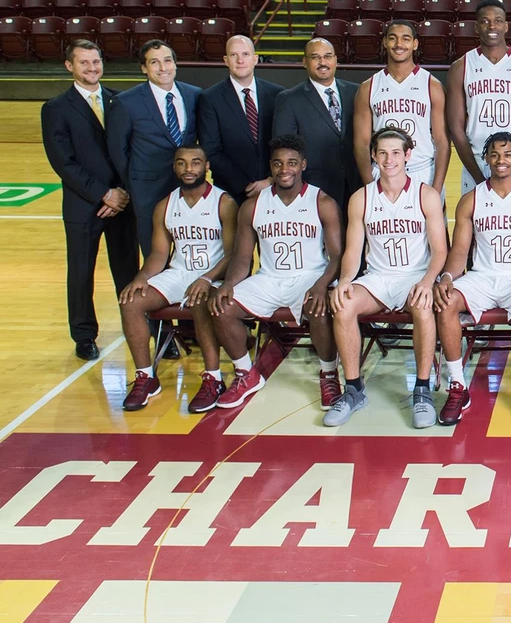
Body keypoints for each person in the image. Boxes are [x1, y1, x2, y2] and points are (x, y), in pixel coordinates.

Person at [208, 135, 345, 411]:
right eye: (278, 163)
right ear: (270, 167)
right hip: (268, 279)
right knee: (221, 307)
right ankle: (246, 373)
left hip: (309, 276)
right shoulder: (252, 206)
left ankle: (329, 374)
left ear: (303, 165)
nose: (285, 169)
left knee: (318, 306)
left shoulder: (322, 202)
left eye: (292, 162)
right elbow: (242, 257)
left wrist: (321, 285)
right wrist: (228, 284)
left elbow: (337, 256)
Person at [323, 127, 448, 429]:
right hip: (378, 278)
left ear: (407, 155)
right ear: (373, 156)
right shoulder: (360, 199)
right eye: (382, 153)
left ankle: (422, 389)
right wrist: (344, 281)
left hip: (414, 277)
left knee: (422, 306)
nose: (388, 159)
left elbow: (440, 251)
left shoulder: (426, 196)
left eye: (395, 153)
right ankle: (353, 390)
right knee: (343, 305)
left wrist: (428, 281)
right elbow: (353, 251)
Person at [434, 132, 511, 426]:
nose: (501, 160)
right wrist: (448, 276)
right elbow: (461, 249)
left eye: (508, 154)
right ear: (486, 159)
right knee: (445, 301)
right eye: (495, 155)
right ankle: (458, 386)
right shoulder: (471, 200)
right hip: (483, 277)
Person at [117, 146, 238, 413]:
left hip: (213, 275)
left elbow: (233, 255)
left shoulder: (224, 202)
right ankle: (146, 377)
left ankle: (213, 379)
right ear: (174, 167)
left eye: (195, 163)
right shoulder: (165, 205)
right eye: (181, 164)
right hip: (179, 273)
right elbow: (160, 254)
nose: (188, 169)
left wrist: (207, 278)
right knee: (130, 301)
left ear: (206, 166)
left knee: (199, 300)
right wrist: (141, 278)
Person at [41, 39, 140, 360]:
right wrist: (104, 193)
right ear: (69, 66)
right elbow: (62, 162)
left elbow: (128, 152)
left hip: (123, 202)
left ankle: (139, 327)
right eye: (84, 63)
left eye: (95, 62)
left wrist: (121, 192)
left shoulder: (117, 101)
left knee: (128, 271)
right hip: (84, 204)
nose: (91, 68)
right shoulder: (55, 108)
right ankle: (84, 335)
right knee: (81, 272)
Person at [106, 39, 201, 255]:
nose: (163, 68)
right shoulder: (126, 102)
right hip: (147, 190)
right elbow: (117, 151)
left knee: (188, 253)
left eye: (167, 61)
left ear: (175, 65)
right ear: (144, 68)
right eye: (154, 62)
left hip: (187, 188)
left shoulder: (194, 95)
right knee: (154, 255)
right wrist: (134, 183)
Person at [445, 0, 511, 194]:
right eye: (485, 21)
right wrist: (477, 176)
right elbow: (456, 128)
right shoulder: (461, 67)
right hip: (477, 162)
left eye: (498, 20)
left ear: (506, 26)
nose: (492, 26)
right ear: (476, 27)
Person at [353, 19, 450, 192]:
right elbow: (361, 143)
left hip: (422, 171)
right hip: (383, 172)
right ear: (384, 42)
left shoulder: (432, 85)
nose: (399, 44)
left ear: (414, 44)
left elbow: (442, 142)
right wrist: (369, 184)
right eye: (393, 38)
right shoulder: (368, 87)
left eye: (405, 38)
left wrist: (436, 187)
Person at [197, 35, 284, 205]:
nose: (240, 60)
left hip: (274, 189)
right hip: (232, 193)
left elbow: (284, 143)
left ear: (255, 59)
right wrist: (245, 185)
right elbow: (211, 150)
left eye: (245, 54)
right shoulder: (210, 98)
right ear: (225, 60)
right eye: (233, 55)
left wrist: (270, 179)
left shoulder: (277, 94)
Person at [272, 38, 357, 207]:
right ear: (305, 62)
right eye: (315, 57)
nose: (322, 62)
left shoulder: (357, 92)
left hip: (355, 185)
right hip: (314, 189)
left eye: (327, 56)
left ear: (335, 60)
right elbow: (284, 149)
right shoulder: (289, 99)